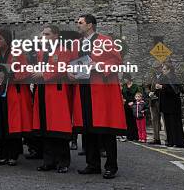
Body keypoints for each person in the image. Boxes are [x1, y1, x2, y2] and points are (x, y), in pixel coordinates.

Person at [72, 14, 126, 179]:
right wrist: (70, 71)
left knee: (106, 129)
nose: (78, 25)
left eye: (80, 23)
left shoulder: (105, 40)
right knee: (88, 129)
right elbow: (73, 62)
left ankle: (111, 166)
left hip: (100, 89)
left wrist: (99, 65)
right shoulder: (76, 43)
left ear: (90, 25)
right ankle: (92, 164)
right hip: (83, 88)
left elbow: (117, 61)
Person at [0, 29, 32, 166]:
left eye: (0, 39)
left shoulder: (17, 54)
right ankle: (3, 154)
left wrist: (12, 76)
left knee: (13, 125)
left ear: (7, 40)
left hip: (11, 94)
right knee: (1, 124)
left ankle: (13, 155)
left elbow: (25, 71)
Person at [32, 25, 76, 173]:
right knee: (45, 127)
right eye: (43, 34)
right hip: (43, 90)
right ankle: (48, 161)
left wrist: (43, 74)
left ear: (56, 35)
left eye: (47, 34)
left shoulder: (63, 50)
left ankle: (63, 161)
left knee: (59, 127)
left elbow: (61, 67)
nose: (44, 36)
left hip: (57, 91)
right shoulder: (41, 51)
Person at [156, 62, 184, 148]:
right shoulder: (164, 78)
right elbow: (162, 90)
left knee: (174, 123)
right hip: (166, 104)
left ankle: (178, 142)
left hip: (173, 105)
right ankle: (171, 141)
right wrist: (157, 90)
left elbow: (175, 90)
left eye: (164, 69)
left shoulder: (173, 77)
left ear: (169, 70)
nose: (163, 70)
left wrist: (162, 87)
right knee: (168, 124)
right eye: (163, 69)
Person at [146, 61, 163, 145]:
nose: (156, 70)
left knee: (163, 120)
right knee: (154, 120)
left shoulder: (165, 76)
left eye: (158, 68)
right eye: (155, 68)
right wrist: (149, 93)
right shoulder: (152, 77)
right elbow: (147, 87)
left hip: (161, 100)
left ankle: (168, 139)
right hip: (153, 101)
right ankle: (156, 139)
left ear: (161, 67)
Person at [121, 74, 141, 141]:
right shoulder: (124, 86)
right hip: (126, 105)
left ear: (129, 79)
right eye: (124, 79)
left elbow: (139, 95)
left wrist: (133, 101)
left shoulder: (135, 86)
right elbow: (122, 94)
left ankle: (135, 136)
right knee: (128, 121)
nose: (124, 80)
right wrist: (123, 99)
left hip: (134, 105)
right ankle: (129, 136)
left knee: (134, 121)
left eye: (125, 79)